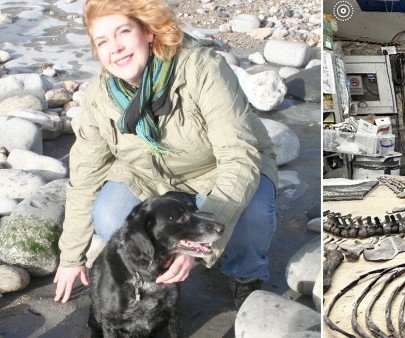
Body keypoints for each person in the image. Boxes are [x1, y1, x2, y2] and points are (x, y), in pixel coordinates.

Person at [53, 0, 277, 310]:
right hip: (149, 176)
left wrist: (195, 248)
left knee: (253, 211)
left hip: (216, 168)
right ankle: (161, 271)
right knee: (110, 217)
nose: (115, 48)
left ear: (146, 31)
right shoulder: (99, 99)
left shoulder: (202, 70)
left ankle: (245, 275)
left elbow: (239, 158)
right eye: (103, 41)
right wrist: (70, 258)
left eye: (123, 32)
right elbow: (83, 177)